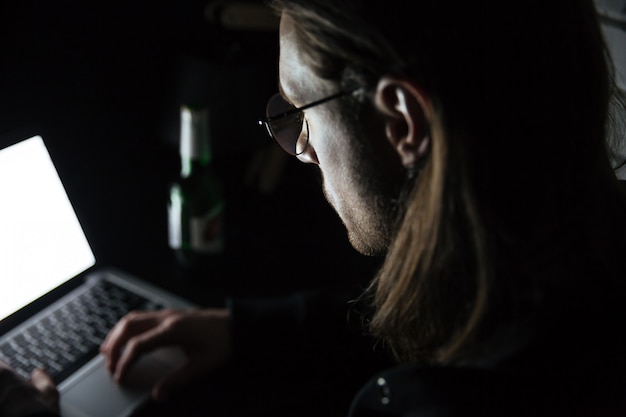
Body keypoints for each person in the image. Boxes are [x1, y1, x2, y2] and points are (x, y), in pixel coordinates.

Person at [2, 0, 626, 415]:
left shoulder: (434, 403)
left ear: (403, 122)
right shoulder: (580, 260)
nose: (300, 150)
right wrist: (246, 328)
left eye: (301, 112)